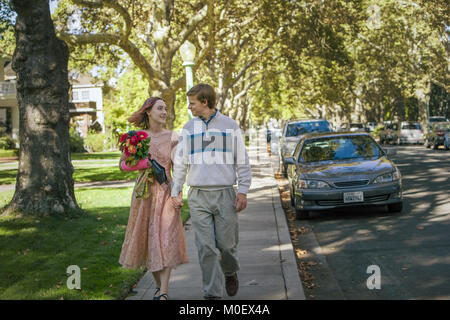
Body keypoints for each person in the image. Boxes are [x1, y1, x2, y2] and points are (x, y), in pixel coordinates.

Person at [171, 83, 252, 300]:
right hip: (198, 195)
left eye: (192, 102)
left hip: (225, 193)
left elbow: (242, 160)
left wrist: (242, 191)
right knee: (205, 247)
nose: (189, 107)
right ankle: (212, 294)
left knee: (227, 246)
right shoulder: (188, 129)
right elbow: (180, 163)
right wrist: (175, 191)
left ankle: (230, 271)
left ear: (205, 102)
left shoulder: (230, 125)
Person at [118, 97, 189, 300]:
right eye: (160, 108)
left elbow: (180, 168)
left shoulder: (173, 137)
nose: (164, 112)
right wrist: (143, 165)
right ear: (148, 111)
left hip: (166, 192)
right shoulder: (137, 138)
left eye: (166, 109)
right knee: (150, 242)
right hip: (144, 195)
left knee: (165, 240)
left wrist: (177, 193)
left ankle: (164, 292)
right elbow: (122, 165)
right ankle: (160, 289)